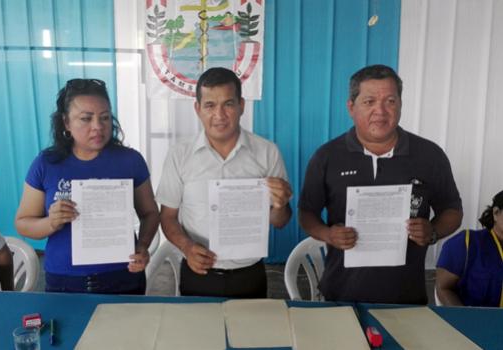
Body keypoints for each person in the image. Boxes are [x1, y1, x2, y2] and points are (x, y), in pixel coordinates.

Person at [298, 64, 463, 304]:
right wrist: (328, 234)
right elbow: (307, 213)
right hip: (341, 293)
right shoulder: (327, 156)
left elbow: (452, 210)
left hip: (406, 296)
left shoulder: (429, 155)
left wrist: (433, 231)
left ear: (400, 105)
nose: (381, 111)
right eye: (369, 102)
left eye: (390, 101)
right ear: (351, 107)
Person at [157, 67, 293, 298]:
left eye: (228, 104)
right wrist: (188, 248)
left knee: (250, 335)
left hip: (250, 274)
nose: (219, 114)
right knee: (198, 334)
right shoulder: (179, 154)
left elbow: (280, 222)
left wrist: (280, 206)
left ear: (241, 106)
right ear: (198, 109)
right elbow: (167, 217)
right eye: (210, 105)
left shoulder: (267, 152)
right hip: (198, 272)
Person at [15, 78, 159, 294]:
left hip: (123, 274)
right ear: (66, 122)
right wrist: (51, 222)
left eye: (105, 117)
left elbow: (150, 213)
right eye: (86, 119)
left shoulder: (130, 161)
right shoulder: (47, 163)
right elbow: (23, 223)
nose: (97, 127)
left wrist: (143, 246)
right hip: (64, 278)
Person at [436, 190, 503, 307]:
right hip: (477, 321)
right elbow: (443, 288)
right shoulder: (466, 243)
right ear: (496, 213)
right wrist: (464, 318)